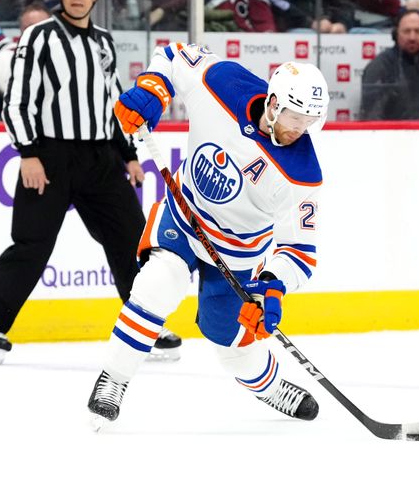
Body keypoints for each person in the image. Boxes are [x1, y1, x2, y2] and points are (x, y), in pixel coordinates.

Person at [86, 44, 329, 428]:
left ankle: (271, 387)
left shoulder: (301, 174)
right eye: (296, 117)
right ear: (274, 103)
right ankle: (113, 379)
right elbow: (173, 55)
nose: (300, 129)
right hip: (185, 215)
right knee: (155, 284)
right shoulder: (223, 83)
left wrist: (272, 287)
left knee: (230, 340)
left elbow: (299, 249)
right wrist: (153, 89)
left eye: (310, 121)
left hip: (237, 254)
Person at [0, 0, 181, 365]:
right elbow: (17, 100)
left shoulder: (103, 41)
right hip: (49, 156)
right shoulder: (39, 37)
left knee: (131, 240)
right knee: (32, 244)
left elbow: (111, 101)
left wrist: (129, 155)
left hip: (100, 158)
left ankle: (145, 327)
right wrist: (27, 153)